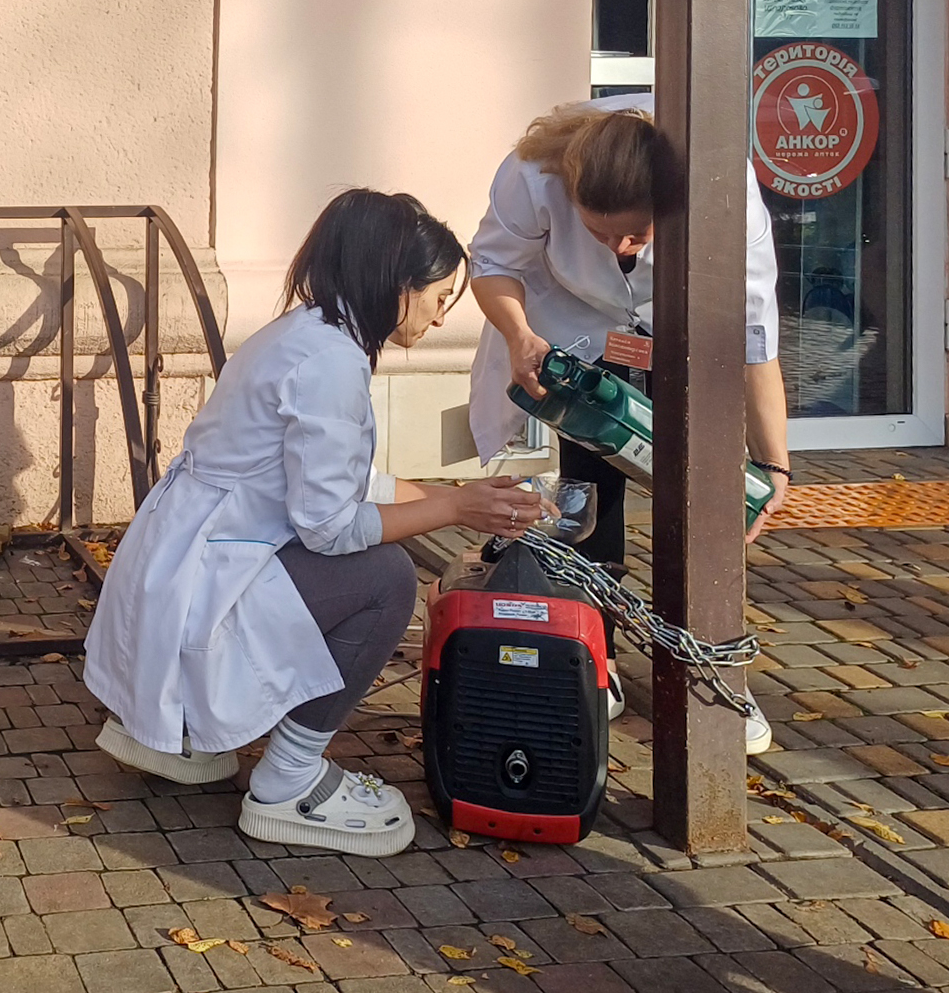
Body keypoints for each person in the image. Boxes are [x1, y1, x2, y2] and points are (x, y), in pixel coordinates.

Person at [84, 189, 545, 858]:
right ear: (397, 285)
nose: (443, 317)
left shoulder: (307, 331)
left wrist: (460, 495)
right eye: (441, 297)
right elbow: (329, 526)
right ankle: (289, 781)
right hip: (202, 573)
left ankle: (176, 723)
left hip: (183, 561)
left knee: (377, 558)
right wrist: (453, 508)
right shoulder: (331, 362)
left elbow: (343, 479)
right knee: (387, 578)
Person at [466, 93, 789, 754]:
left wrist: (774, 461)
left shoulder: (726, 192)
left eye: (637, 234)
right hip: (571, 333)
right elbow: (494, 265)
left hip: (685, 325)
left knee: (707, 488)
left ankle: (710, 664)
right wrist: (520, 335)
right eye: (599, 233)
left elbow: (753, 336)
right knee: (586, 493)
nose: (620, 247)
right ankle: (597, 656)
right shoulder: (532, 173)